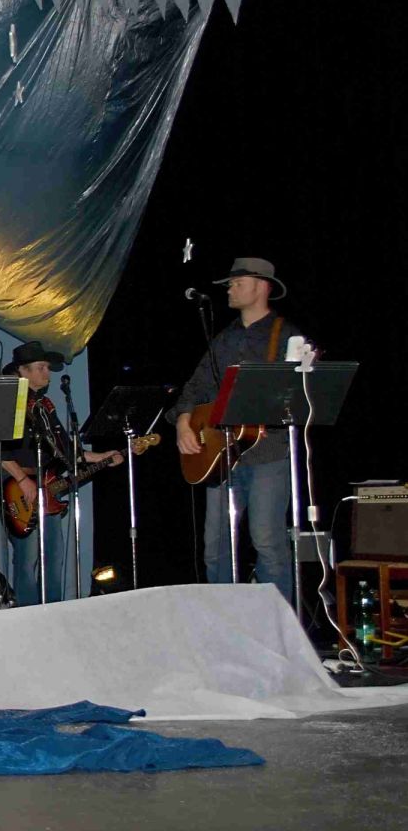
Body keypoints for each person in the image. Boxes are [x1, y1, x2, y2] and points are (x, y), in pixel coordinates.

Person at [173, 257, 304, 599]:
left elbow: (298, 396)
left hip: (268, 454)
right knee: (215, 546)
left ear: (262, 286)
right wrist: (183, 423)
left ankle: (278, 620)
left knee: (267, 541)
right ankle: (224, 618)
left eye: (237, 282)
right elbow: (195, 386)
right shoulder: (223, 339)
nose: (230, 289)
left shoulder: (286, 335)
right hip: (221, 458)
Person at [0, 342, 122, 606]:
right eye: (41, 367)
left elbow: (68, 450)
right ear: (22, 371)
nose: (47, 373)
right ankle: (27, 614)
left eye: (47, 367)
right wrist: (22, 479)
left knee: (54, 558)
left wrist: (103, 456)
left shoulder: (45, 407)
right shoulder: (9, 403)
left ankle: (55, 611)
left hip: (48, 486)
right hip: (20, 487)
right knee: (27, 559)